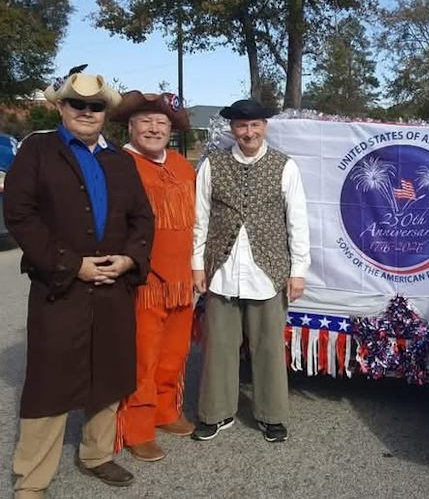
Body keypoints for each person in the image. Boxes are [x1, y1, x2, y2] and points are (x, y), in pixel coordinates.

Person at [3, 67, 154, 497]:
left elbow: (143, 218)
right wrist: (71, 265)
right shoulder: (38, 152)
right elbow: (20, 215)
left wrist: (129, 259)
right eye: (77, 104)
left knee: (108, 371)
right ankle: (31, 479)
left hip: (113, 285)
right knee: (49, 381)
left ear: (105, 112)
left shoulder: (120, 160)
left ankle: (96, 454)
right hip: (59, 285)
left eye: (95, 106)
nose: (87, 112)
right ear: (61, 107)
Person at [191, 99, 310, 443]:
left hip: (268, 270)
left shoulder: (285, 166)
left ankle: (272, 415)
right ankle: (216, 413)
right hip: (221, 269)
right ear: (232, 129)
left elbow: (297, 223)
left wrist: (298, 270)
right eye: (242, 126)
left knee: (268, 346)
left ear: (265, 127)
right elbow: (201, 220)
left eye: (255, 125)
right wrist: (197, 265)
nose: (248, 132)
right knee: (219, 346)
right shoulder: (212, 165)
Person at [110, 91, 197, 461]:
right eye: (145, 121)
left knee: (174, 354)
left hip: (182, 281)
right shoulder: (118, 164)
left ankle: (165, 411)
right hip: (142, 283)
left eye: (161, 123)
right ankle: (137, 428)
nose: (154, 128)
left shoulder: (181, 164)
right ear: (130, 126)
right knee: (142, 358)